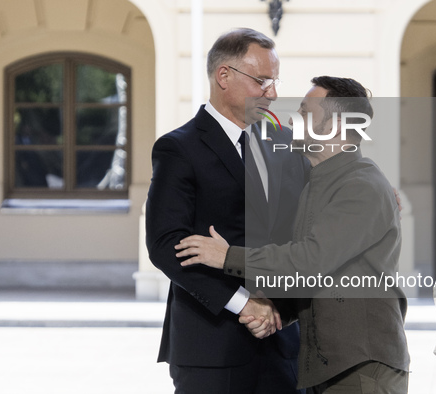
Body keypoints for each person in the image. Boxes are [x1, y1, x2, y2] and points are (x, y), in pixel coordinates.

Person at [175, 76, 410, 393]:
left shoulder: (362, 186)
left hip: (361, 368)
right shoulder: (317, 184)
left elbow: (309, 260)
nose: (291, 120)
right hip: (328, 367)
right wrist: (278, 314)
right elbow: (316, 277)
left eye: (304, 113)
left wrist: (226, 256)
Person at [145, 28, 308, 393]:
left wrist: (371, 187)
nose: (274, 93)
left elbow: (310, 214)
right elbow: (165, 244)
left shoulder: (282, 141)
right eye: (263, 81)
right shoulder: (178, 148)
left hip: (283, 341)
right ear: (224, 76)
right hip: (211, 347)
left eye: (275, 81)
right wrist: (245, 304)